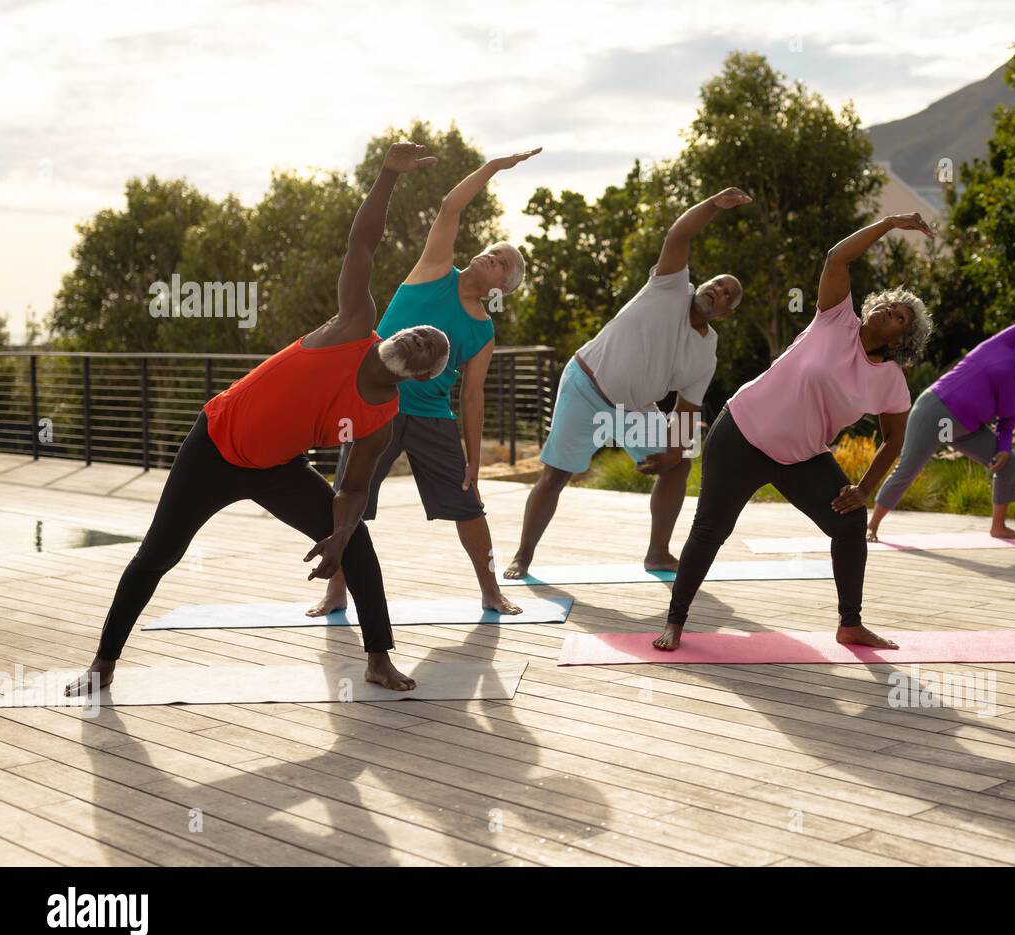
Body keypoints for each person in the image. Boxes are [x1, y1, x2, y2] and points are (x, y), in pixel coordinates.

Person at [65, 142, 449, 697]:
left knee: (359, 542)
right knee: (158, 554)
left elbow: (355, 486)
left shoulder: (380, 418)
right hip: (214, 443)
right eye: (413, 333)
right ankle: (103, 663)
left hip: (275, 468)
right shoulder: (353, 325)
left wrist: (339, 534)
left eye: (423, 349)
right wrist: (388, 175)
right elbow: (362, 244)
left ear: (418, 375)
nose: (413, 341)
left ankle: (377, 658)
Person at [654, 213, 936, 652]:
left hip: (801, 456)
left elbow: (894, 441)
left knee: (850, 522)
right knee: (711, 529)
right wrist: (890, 222)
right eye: (889, 303)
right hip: (742, 433)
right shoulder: (836, 318)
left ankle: (850, 624)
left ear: (902, 340)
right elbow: (837, 256)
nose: (888, 310)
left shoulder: (890, 380)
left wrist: (864, 487)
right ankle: (675, 621)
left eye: (899, 317)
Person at [309, 148, 541, 619]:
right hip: (377, 404)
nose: (490, 254)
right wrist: (493, 168)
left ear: (502, 286)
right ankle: (335, 592)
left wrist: (475, 461)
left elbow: (472, 397)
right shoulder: (435, 270)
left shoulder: (483, 330)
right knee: (347, 501)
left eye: (500, 260)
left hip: (433, 417)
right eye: (492, 249)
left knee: (469, 507)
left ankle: (491, 590)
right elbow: (450, 207)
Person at [504, 187, 751, 580]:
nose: (716, 290)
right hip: (585, 385)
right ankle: (523, 557)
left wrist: (673, 451)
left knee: (680, 463)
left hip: (632, 409)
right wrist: (712, 205)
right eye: (716, 283)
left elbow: (686, 411)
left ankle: (657, 554)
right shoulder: (670, 286)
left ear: (726, 313)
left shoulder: (705, 353)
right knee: (555, 474)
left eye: (726, 295)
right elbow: (679, 236)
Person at [868, 312, 1015, 540]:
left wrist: (1003, 449)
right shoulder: (1004, 344)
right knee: (908, 469)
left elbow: (1006, 426)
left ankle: (998, 527)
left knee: (1008, 462)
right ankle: (872, 526)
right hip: (937, 411)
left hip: (965, 430)